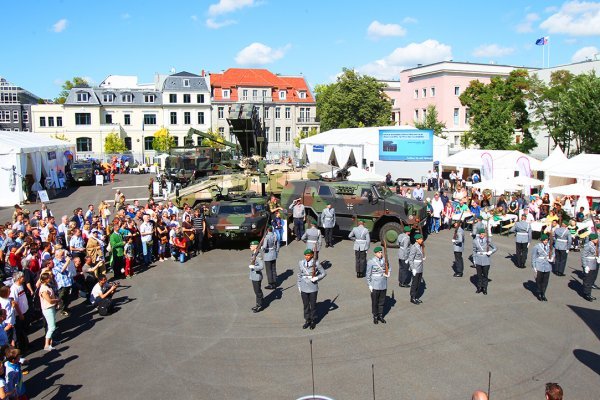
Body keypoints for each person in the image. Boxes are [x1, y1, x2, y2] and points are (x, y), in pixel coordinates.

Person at [297, 249, 326, 330]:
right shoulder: (301, 263)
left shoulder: (316, 263)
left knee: (313, 305)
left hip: (313, 286)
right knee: (305, 305)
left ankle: (313, 320)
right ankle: (307, 320)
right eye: (306, 255)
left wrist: (317, 277)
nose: (307, 257)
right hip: (303, 285)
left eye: (309, 255)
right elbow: (299, 274)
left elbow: (324, 273)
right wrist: (299, 285)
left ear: (312, 255)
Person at [366, 246, 390, 324]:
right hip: (375, 285)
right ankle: (375, 316)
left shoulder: (384, 260)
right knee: (375, 302)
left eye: (381, 252)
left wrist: (388, 272)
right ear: (375, 253)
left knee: (381, 301)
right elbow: (368, 274)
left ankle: (380, 315)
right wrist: (369, 284)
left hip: (383, 284)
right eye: (378, 252)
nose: (380, 254)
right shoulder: (371, 261)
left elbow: (389, 267)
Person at [472, 229, 497, 295]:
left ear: (485, 234)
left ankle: (485, 288)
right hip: (478, 259)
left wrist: (491, 252)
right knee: (479, 275)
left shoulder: (489, 240)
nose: (481, 235)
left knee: (485, 275)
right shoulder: (475, 241)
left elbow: (495, 248)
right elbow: (474, 250)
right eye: (480, 234)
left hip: (486, 259)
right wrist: (474, 260)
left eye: (483, 234)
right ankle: (479, 287)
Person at [38, 272, 59, 351]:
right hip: (48, 309)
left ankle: (51, 342)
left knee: (52, 325)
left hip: (51, 308)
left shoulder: (47, 286)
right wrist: (57, 300)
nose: (50, 279)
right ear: (45, 279)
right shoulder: (43, 289)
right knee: (52, 327)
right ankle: (46, 345)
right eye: (49, 278)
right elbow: (49, 300)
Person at [52, 250, 74, 316]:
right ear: (56, 255)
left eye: (63, 255)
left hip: (67, 282)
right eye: (61, 255)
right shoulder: (55, 262)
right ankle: (62, 310)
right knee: (62, 298)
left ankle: (66, 308)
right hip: (61, 283)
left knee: (67, 297)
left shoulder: (63, 260)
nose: (63, 256)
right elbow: (61, 270)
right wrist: (67, 261)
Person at [532, 234, 552, 301]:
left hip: (547, 265)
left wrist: (552, 258)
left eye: (546, 240)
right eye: (544, 240)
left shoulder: (550, 246)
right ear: (541, 240)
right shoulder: (537, 247)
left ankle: (543, 293)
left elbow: (553, 253)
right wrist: (534, 266)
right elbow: (534, 257)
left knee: (545, 281)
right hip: (539, 264)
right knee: (539, 280)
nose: (546, 241)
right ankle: (539, 293)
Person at [581, 233, 599, 302]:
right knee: (587, 279)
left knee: (591, 279)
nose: (597, 240)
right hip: (588, 263)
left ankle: (589, 293)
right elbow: (583, 256)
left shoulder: (595, 245)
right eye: (596, 239)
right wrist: (585, 266)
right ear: (592, 239)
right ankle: (586, 294)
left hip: (593, 262)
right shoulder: (588, 245)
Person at [408, 234, 425, 304]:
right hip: (415, 267)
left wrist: (422, 258)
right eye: (420, 239)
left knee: (418, 283)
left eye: (422, 239)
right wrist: (413, 268)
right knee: (414, 283)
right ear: (416, 240)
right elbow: (410, 259)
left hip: (420, 267)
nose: (422, 240)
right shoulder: (414, 247)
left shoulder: (420, 246)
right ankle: (412, 297)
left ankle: (416, 296)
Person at [248, 241, 264, 313]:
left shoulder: (258, 255)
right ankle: (259, 302)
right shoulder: (254, 254)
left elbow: (261, 266)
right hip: (254, 276)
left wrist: (254, 267)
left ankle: (259, 305)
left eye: (251, 245)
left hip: (257, 276)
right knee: (256, 291)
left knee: (257, 291)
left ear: (256, 246)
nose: (250, 247)